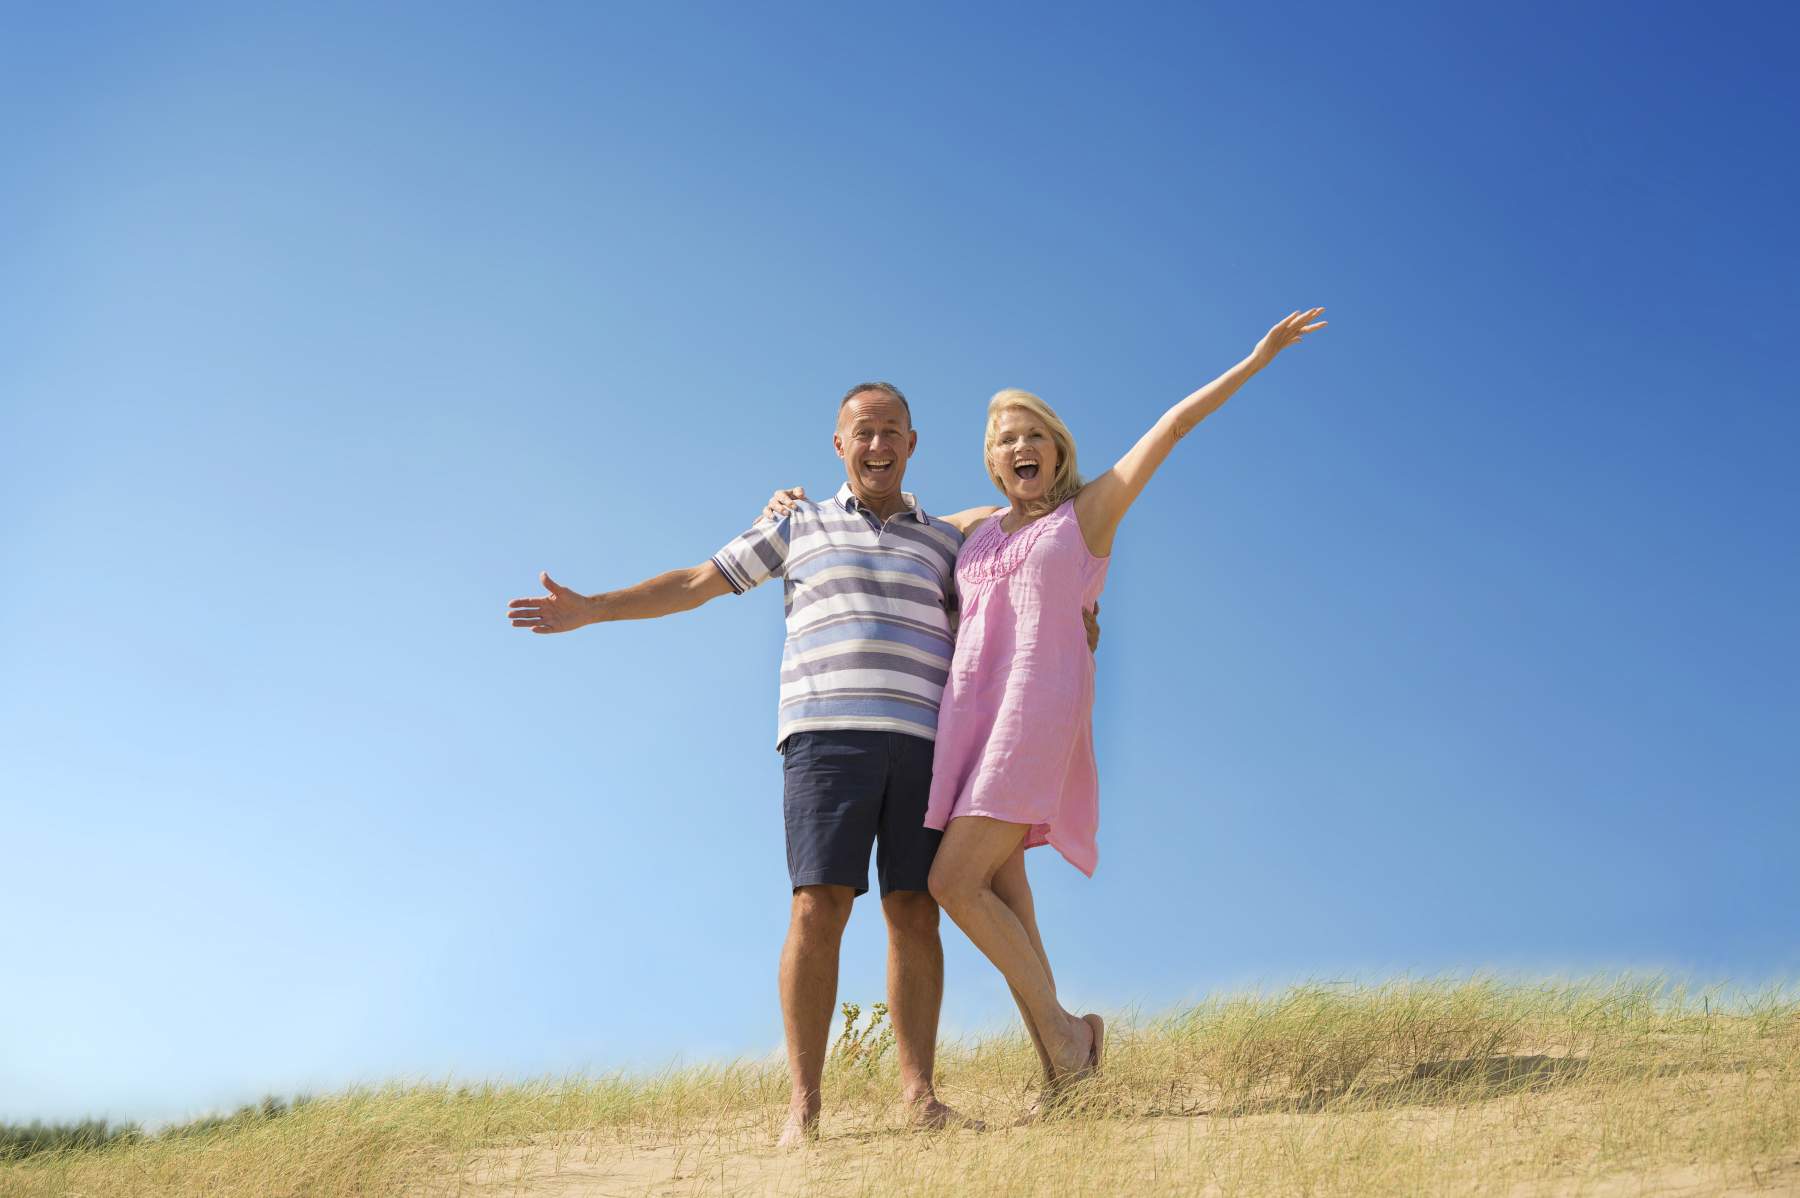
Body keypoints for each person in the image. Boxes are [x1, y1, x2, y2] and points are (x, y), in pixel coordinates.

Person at [505, 382, 1098, 1146]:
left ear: (912, 444)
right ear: (838, 446)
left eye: (891, 432)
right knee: (818, 907)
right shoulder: (798, 523)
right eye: (863, 433)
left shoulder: (947, 541)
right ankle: (804, 1109)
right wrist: (597, 607)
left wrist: (1079, 613)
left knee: (916, 912)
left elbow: (1015, 577)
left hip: (927, 744)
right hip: (825, 739)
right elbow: (696, 582)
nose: (877, 445)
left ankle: (920, 1098)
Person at [770, 309, 1327, 1111]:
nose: (1020, 448)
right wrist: (791, 503)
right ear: (992, 464)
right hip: (969, 728)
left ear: (1059, 449)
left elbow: (1171, 428)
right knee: (1007, 897)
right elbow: (892, 516)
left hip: (1035, 717)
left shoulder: (1087, 515)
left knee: (950, 881)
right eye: (1004, 441)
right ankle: (1063, 1074)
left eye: (1034, 436)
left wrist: (1255, 357)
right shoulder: (974, 532)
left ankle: (1071, 1035)